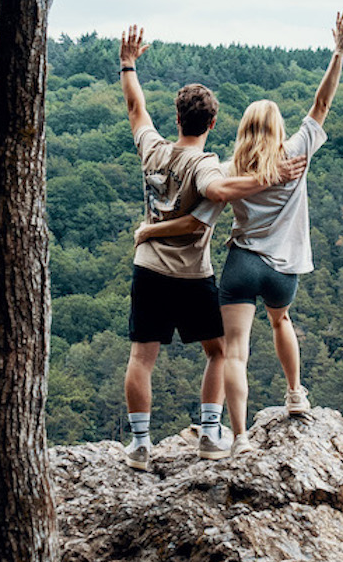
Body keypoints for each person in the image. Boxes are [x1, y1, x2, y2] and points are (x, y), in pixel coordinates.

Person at [136, 12, 343, 447]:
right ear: (278, 130)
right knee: (281, 320)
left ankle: (238, 436)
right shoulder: (294, 154)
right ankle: (295, 394)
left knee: (234, 352)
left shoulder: (229, 169)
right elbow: (322, 104)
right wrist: (338, 53)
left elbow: (205, 208)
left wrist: (148, 230)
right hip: (284, 267)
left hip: (241, 266)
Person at [118, 26, 305, 469]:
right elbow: (219, 192)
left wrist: (128, 64)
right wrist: (270, 177)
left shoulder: (153, 149)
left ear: (178, 117)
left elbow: (135, 108)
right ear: (213, 124)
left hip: (148, 268)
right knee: (220, 352)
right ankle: (208, 432)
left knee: (142, 357)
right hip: (191, 273)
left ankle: (141, 444)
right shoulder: (203, 165)